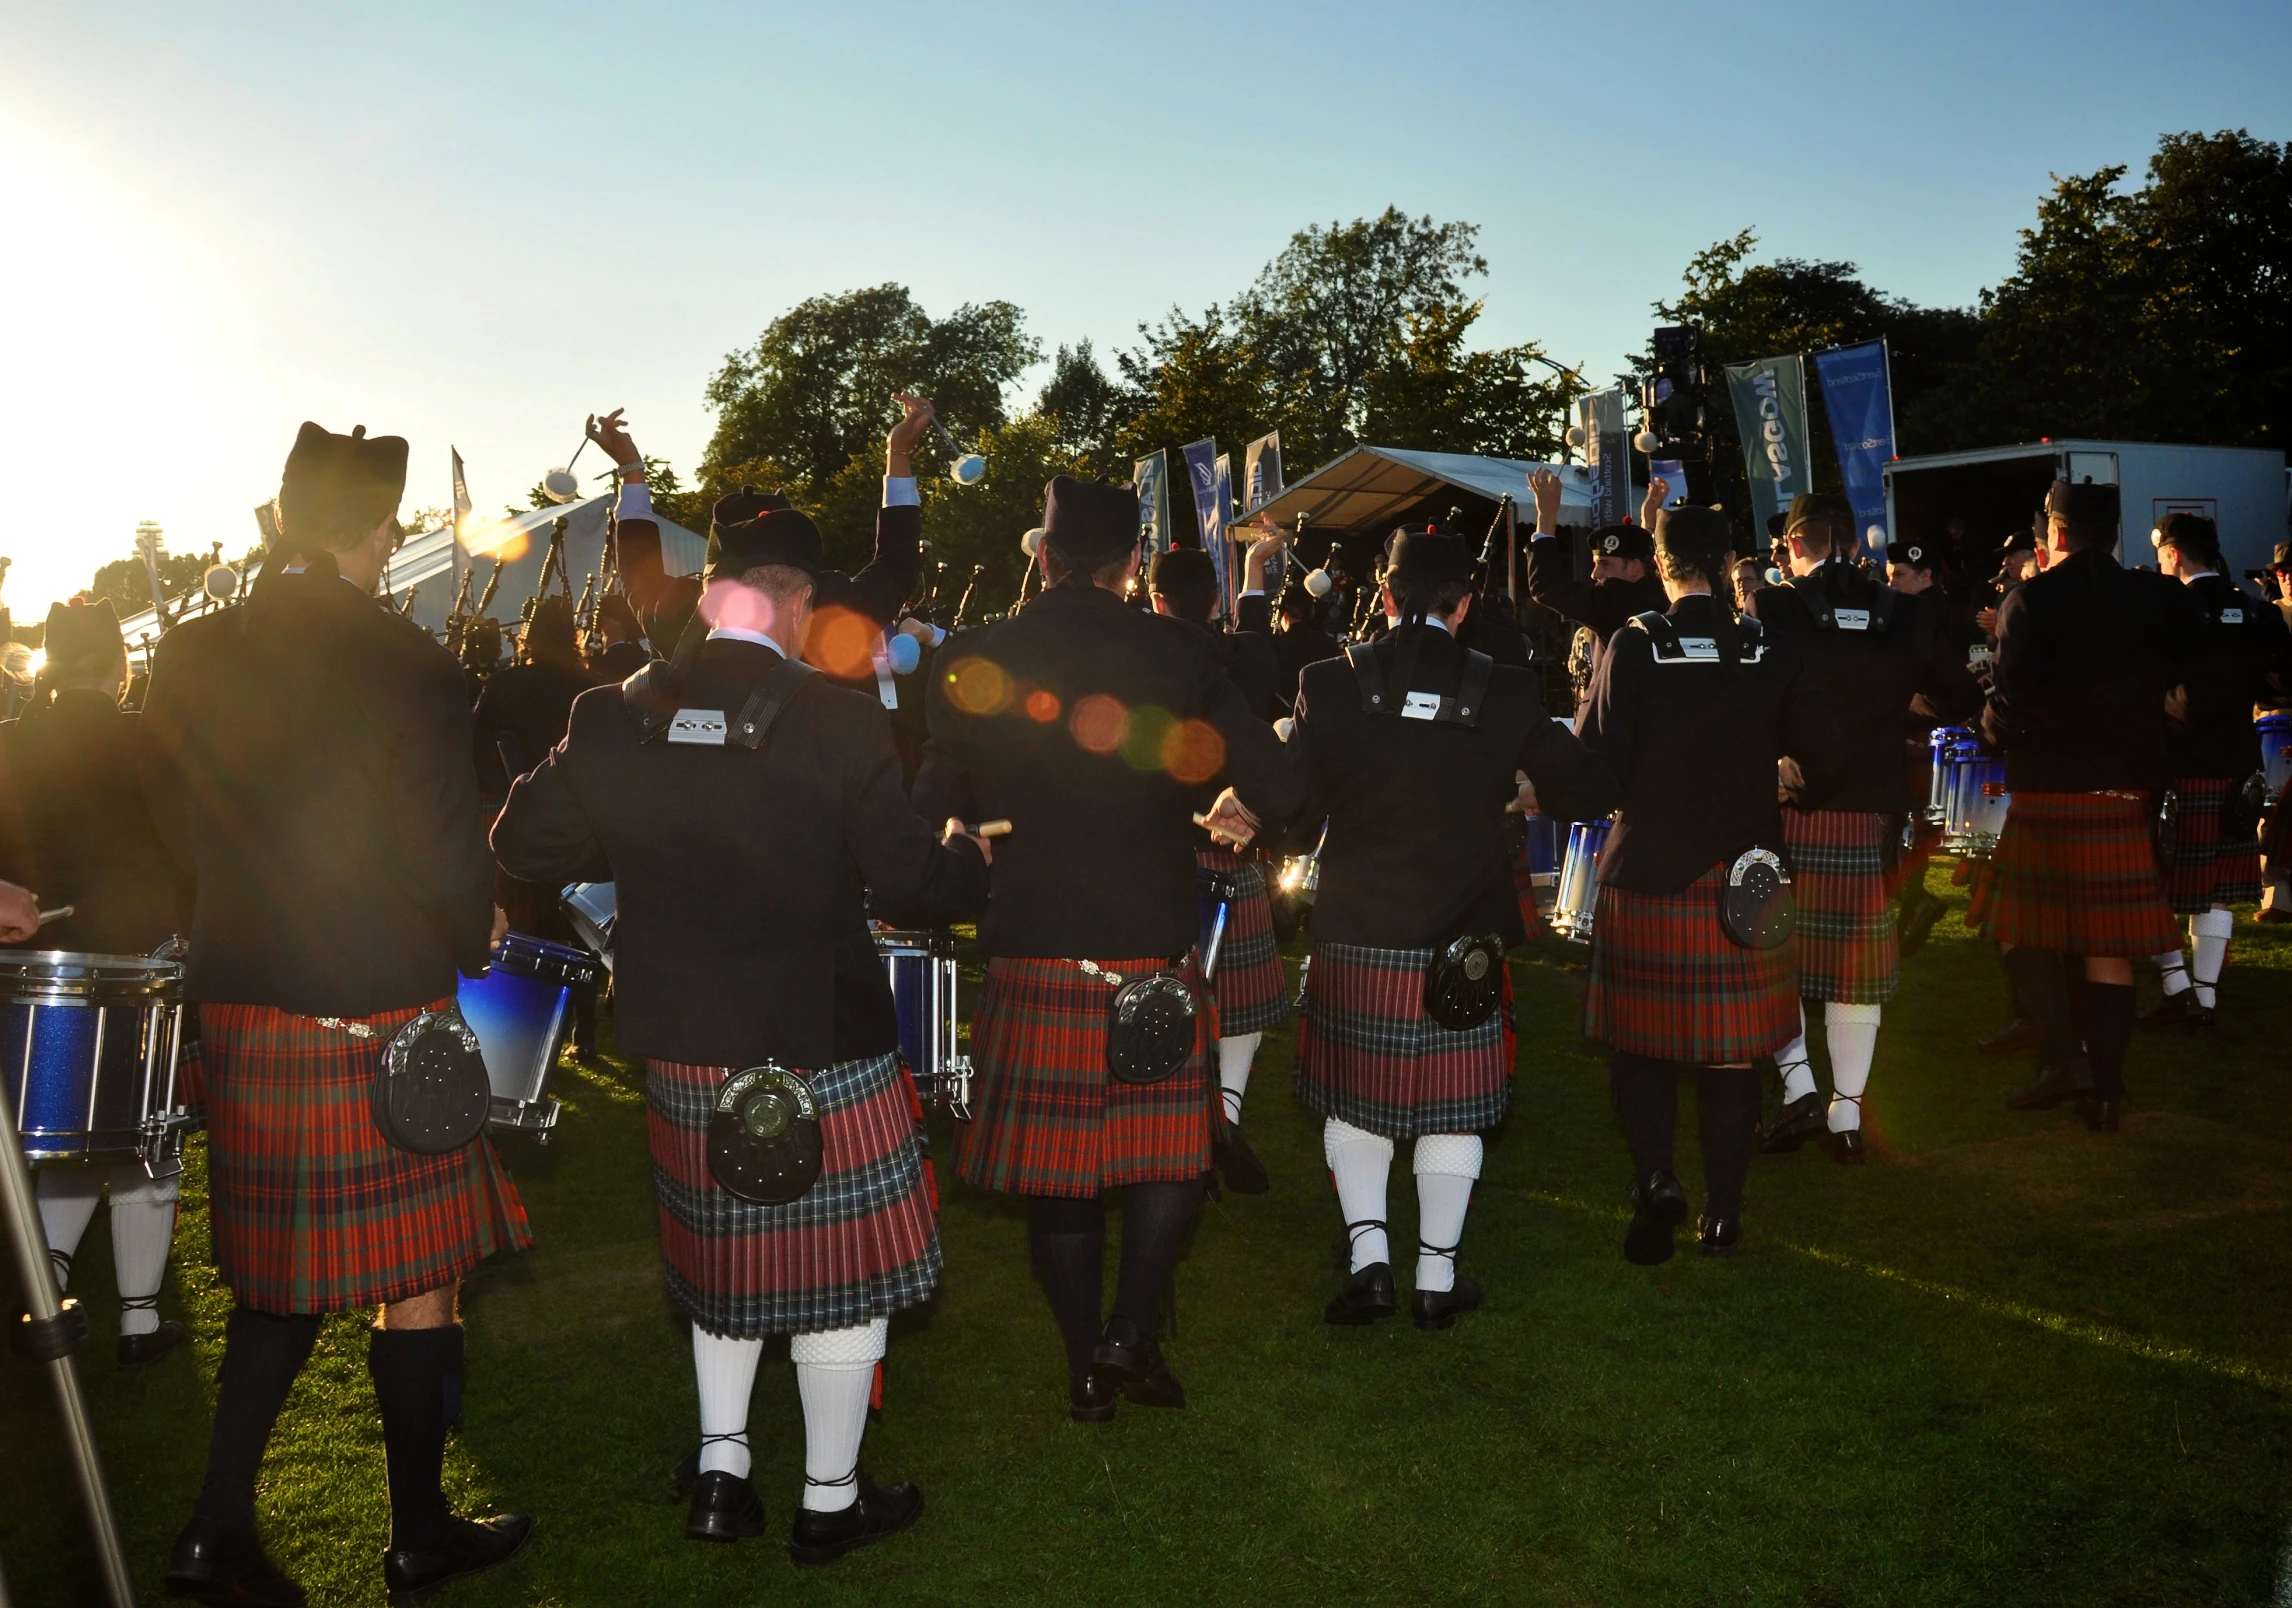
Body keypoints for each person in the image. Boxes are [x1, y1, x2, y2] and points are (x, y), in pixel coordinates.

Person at [492, 491, 989, 1564]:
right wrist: (969, 859)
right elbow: (911, 882)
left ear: (713, 591)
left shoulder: (613, 713)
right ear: (799, 600)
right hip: (822, 1040)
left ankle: (723, 1474)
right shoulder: (842, 718)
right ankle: (829, 1497)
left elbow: (525, 845)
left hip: (681, 1040)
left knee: (722, 1263)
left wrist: (607, 774)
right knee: (841, 1282)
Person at [140, 421, 531, 1606]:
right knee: (419, 1278)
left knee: (273, 1279)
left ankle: (214, 1531)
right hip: (372, 1005)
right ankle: (418, 1535)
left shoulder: (192, 651)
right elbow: (437, 846)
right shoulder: (409, 664)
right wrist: (480, 935)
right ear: (380, 529)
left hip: (245, 1005)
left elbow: (173, 820)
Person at [913, 476, 1302, 1424]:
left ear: (1043, 555)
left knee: (1060, 1173)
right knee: (1169, 1156)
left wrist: (967, 832)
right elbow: (1281, 777)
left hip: (1037, 937)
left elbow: (930, 801)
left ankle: (1087, 1366)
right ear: (1133, 564)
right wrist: (1246, 808)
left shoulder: (976, 655)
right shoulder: (1177, 648)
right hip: (1149, 936)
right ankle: (1133, 1333)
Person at [1289, 524, 1615, 1326]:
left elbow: (1295, 814)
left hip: (1357, 927)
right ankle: (1436, 1280)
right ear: (1463, 605)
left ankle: (1371, 1265)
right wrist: (1526, 790)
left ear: (1385, 597)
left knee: (1355, 1104)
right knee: (1455, 1109)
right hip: (1461, 939)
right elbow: (1578, 790)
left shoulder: (1327, 682)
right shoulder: (1505, 688)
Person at [1578, 505, 1840, 1262]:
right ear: (1729, 564)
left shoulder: (1633, 645)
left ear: (1661, 566)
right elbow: (1828, 750)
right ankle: (1724, 1215)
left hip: (1652, 871)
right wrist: (1794, 783)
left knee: (1643, 1048)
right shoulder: (1771, 646)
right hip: (1745, 876)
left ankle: (1658, 1176)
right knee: (1731, 1057)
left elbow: (1600, 763)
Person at [1749, 497, 1982, 1163]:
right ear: (1852, 543)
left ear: (1796, 543)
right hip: (1868, 809)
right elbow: (1962, 694)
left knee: (1776, 960)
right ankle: (1846, 1115)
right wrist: (1910, 700)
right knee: (1854, 971)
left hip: (1791, 805)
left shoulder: (1775, 608)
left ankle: (1799, 1092)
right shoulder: (1903, 611)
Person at [0, 596, 197, 1368]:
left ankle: (48, 1290)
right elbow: (188, 848)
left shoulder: (9, 742)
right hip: (135, 969)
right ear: (117, 663)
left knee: (63, 1137)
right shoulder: (148, 739)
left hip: (26, 972)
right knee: (144, 1135)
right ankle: (139, 1323)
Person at [1974, 480, 2199, 1132]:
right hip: (2125, 792)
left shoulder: (2030, 599)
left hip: (2050, 795)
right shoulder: (2157, 596)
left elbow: (2012, 701)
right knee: (2108, 949)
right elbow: (2183, 682)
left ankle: (2061, 1061)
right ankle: (2106, 1088)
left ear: (2058, 534)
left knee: (2022, 931)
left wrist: (1986, 724)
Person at [595, 400, 934, 691]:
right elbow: (898, 561)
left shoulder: (676, 610)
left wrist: (632, 472)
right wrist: (898, 453)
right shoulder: (832, 606)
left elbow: (638, 568)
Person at [1146, 545, 1286, 1195]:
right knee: (1245, 1004)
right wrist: (1255, 570)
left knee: (1166, 997)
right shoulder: (1248, 655)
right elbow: (1255, 636)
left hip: (1158, 850)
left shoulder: (1138, 659)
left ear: (1155, 600)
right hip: (1233, 847)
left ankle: (1179, 1125)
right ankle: (1225, 1116)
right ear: (1216, 600)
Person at [2137, 513, 2290, 1030]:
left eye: (2162, 554)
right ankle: (2205, 995)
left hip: (2183, 766)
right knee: (2217, 887)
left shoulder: (2167, 609)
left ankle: (2179, 984)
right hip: (2241, 766)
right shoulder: (2254, 609)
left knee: (2151, 881)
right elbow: (2278, 683)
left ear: (2174, 553)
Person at [1521, 468, 1666, 718]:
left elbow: (1546, 586)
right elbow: (1649, 571)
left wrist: (1546, 516)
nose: (1594, 574)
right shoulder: (1664, 592)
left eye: (1605, 564)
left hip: (1617, 719)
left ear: (1633, 568)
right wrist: (1648, 528)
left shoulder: (1613, 601)